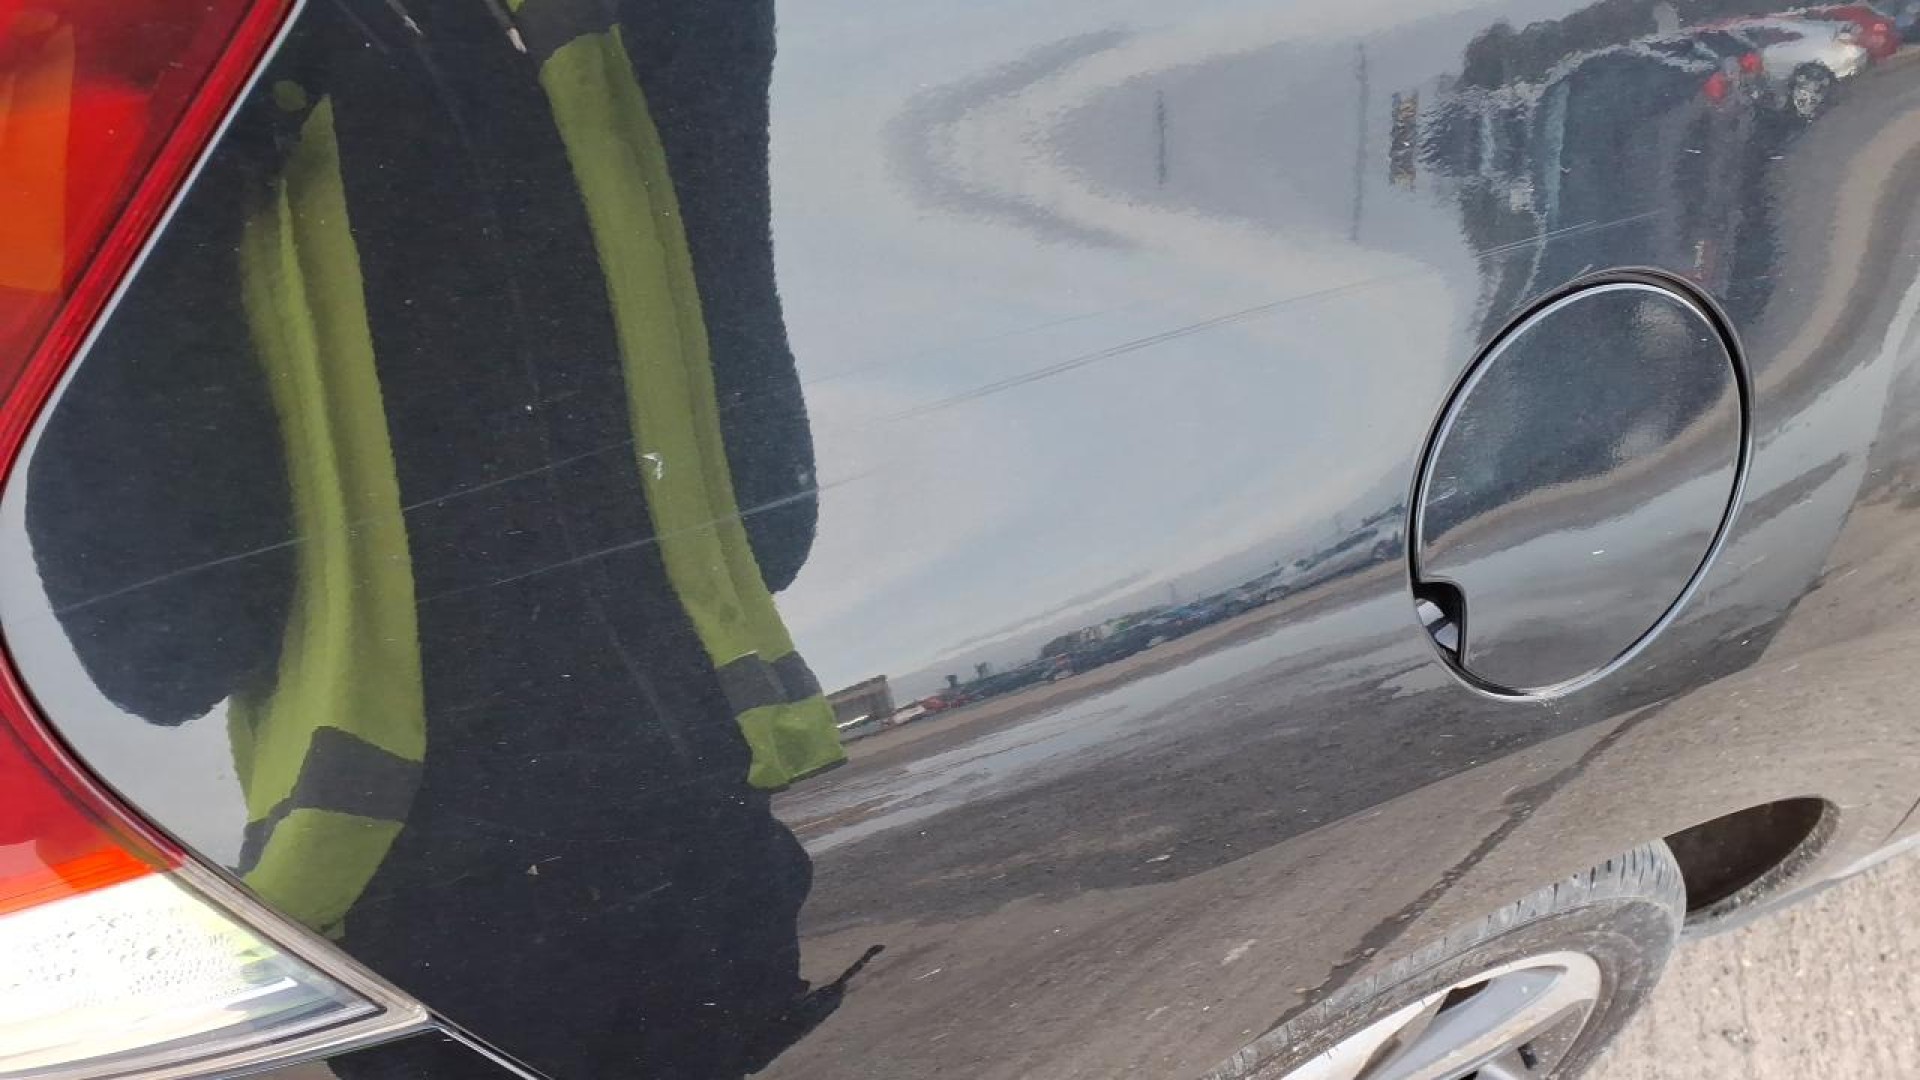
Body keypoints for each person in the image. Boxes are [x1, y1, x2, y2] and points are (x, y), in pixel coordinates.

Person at [26, 0, 855, 1074]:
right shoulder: (110, 84)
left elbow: (761, 503)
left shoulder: (614, 33)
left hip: (635, 888)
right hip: (512, 917)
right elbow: (161, 642)